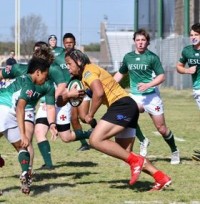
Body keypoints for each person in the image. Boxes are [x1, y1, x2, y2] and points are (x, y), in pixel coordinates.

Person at [60, 48, 172, 191]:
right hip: (127, 106)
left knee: (95, 140)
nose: (68, 67)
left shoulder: (88, 71)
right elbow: (85, 95)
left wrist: (90, 114)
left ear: (79, 61)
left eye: (69, 64)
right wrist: (71, 96)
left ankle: (137, 162)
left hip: (121, 106)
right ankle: (161, 177)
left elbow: (99, 93)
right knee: (125, 153)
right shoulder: (86, 75)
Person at [114, 28, 180, 165]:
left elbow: (161, 76)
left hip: (151, 96)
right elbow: (120, 74)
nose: (140, 43)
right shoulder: (128, 57)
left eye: (143, 40)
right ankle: (142, 141)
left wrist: (148, 85)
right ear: (134, 42)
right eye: (138, 40)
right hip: (135, 96)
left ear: (147, 42)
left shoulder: (152, 57)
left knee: (161, 128)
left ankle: (174, 151)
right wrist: (109, 85)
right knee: (127, 119)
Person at [0, 48, 57, 194]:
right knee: (23, 144)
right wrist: (24, 134)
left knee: (22, 146)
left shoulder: (29, 80)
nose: (46, 77)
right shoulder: (30, 84)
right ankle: (26, 172)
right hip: (5, 109)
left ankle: (26, 173)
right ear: (38, 71)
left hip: (10, 113)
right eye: (45, 74)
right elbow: (20, 108)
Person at [54, 32, 92, 151]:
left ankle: (97, 130)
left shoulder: (80, 56)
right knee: (73, 119)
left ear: (75, 43)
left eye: (71, 43)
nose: (69, 45)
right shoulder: (58, 58)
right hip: (67, 92)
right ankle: (84, 143)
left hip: (81, 89)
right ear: (63, 44)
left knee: (83, 117)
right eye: (66, 43)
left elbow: (89, 69)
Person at [176, 23, 200, 161]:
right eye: (191, 35)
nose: (193, 37)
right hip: (197, 89)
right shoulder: (187, 51)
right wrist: (187, 70)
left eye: (196, 34)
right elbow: (179, 66)